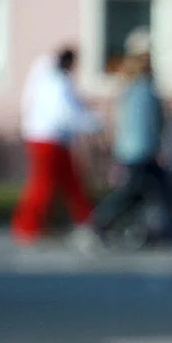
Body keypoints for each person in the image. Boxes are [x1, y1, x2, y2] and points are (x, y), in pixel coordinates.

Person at [11, 47, 102, 242]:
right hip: (49, 139)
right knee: (44, 184)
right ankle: (27, 227)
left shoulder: (48, 79)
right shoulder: (57, 83)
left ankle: (85, 220)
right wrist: (92, 123)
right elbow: (66, 113)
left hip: (50, 139)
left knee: (71, 182)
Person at [92, 42, 172, 242]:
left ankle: (151, 228)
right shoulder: (147, 91)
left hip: (127, 149)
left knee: (143, 189)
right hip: (143, 150)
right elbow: (154, 123)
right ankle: (103, 221)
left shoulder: (127, 89)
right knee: (146, 190)